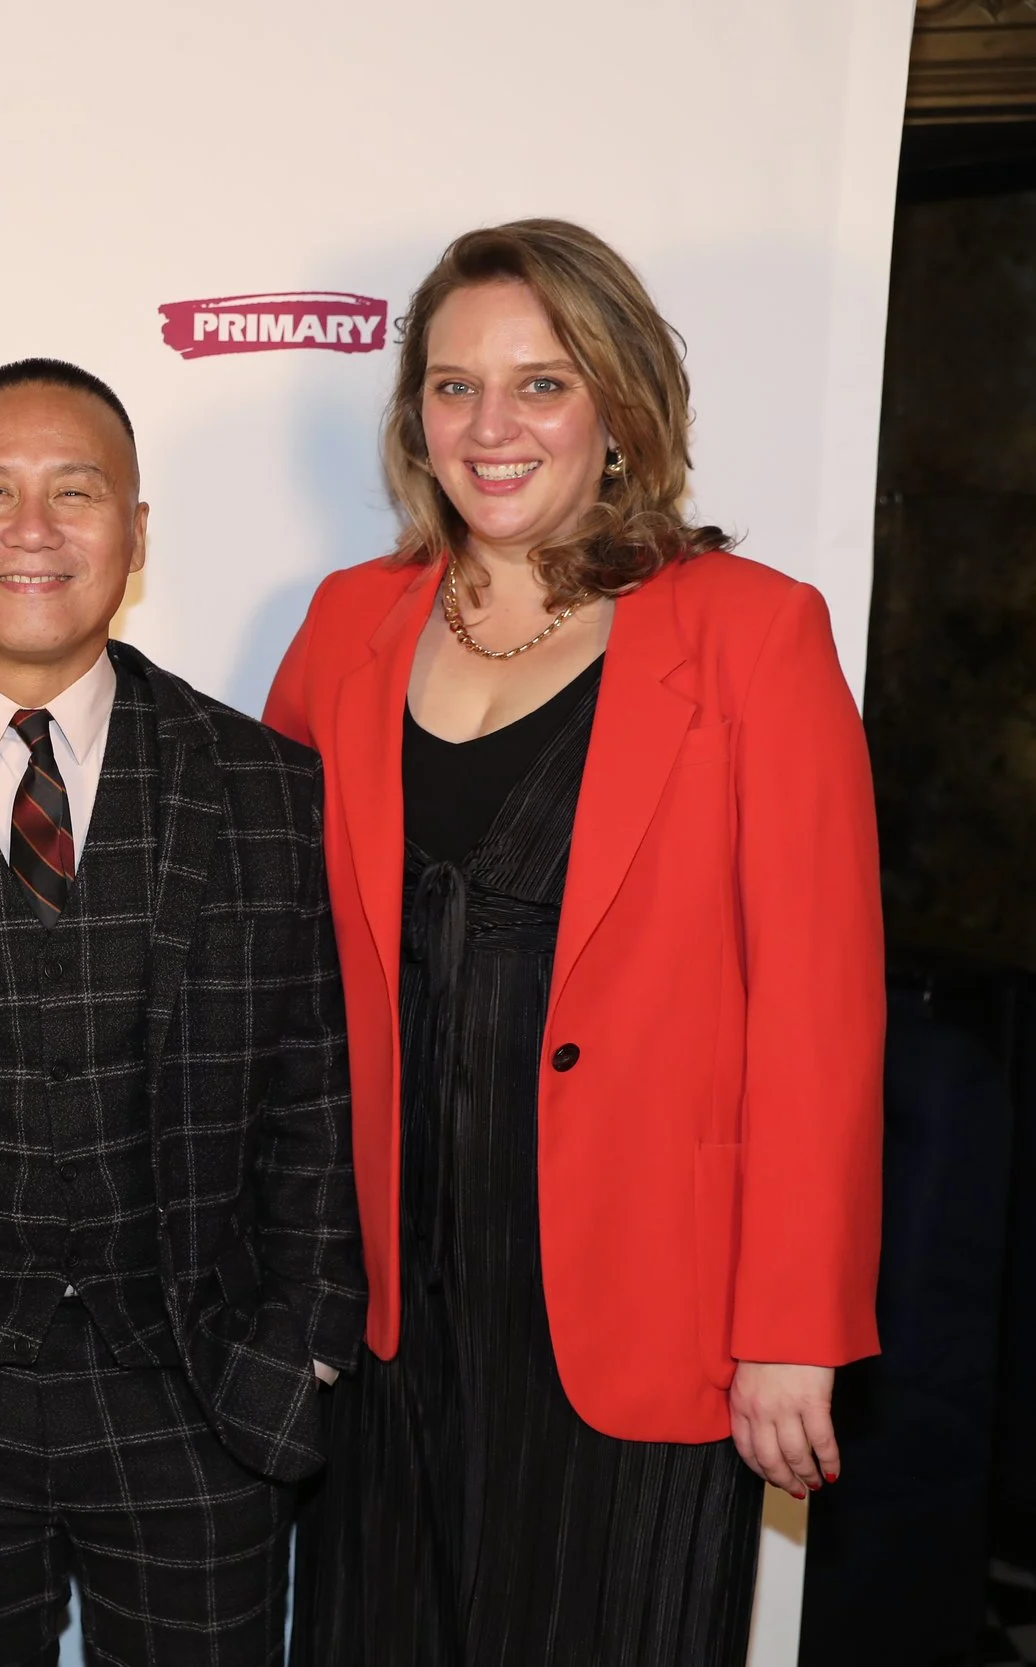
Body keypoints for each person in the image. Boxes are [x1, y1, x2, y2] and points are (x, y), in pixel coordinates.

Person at [264, 219, 884, 1666]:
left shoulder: (751, 636)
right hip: (385, 1319)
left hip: (643, 1302)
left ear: (617, 407)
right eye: (452, 384)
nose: (491, 426)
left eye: (540, 384)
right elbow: (263, 936)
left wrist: (790, 1319)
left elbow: (821, 1005)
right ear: (411, 412)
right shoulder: (351, 623)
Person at [0, 358, 362, 1666]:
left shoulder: (263, 784)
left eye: (75, 492)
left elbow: (321, 1086)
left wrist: (303, 1344)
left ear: (135, 534)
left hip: (203, 1396)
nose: (33, 529)